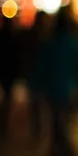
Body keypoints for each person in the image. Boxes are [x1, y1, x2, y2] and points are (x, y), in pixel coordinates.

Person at [36, 9, 78, 156]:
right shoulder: (74, 43)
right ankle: (62, 153)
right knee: (63, 122)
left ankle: (61, 152)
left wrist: (39, 85)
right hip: (70, 88)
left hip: (53, 88)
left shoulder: (50, 43)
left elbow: (43, 66)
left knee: (57, 122)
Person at [21, 11, 51, 142]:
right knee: (38, 104)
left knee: (37, 104)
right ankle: (38, 130)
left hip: (37, 75)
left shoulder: (39, 35)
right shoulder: (45, 36)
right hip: (37, 75)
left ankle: (38, 130)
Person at [0, 16, 19, 138]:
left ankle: (2, 124)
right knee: (7, 98)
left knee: (5, 97)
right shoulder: (12, 38)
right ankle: (2, 125)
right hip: (9, 72)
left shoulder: (0, 38)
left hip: (3, 71)